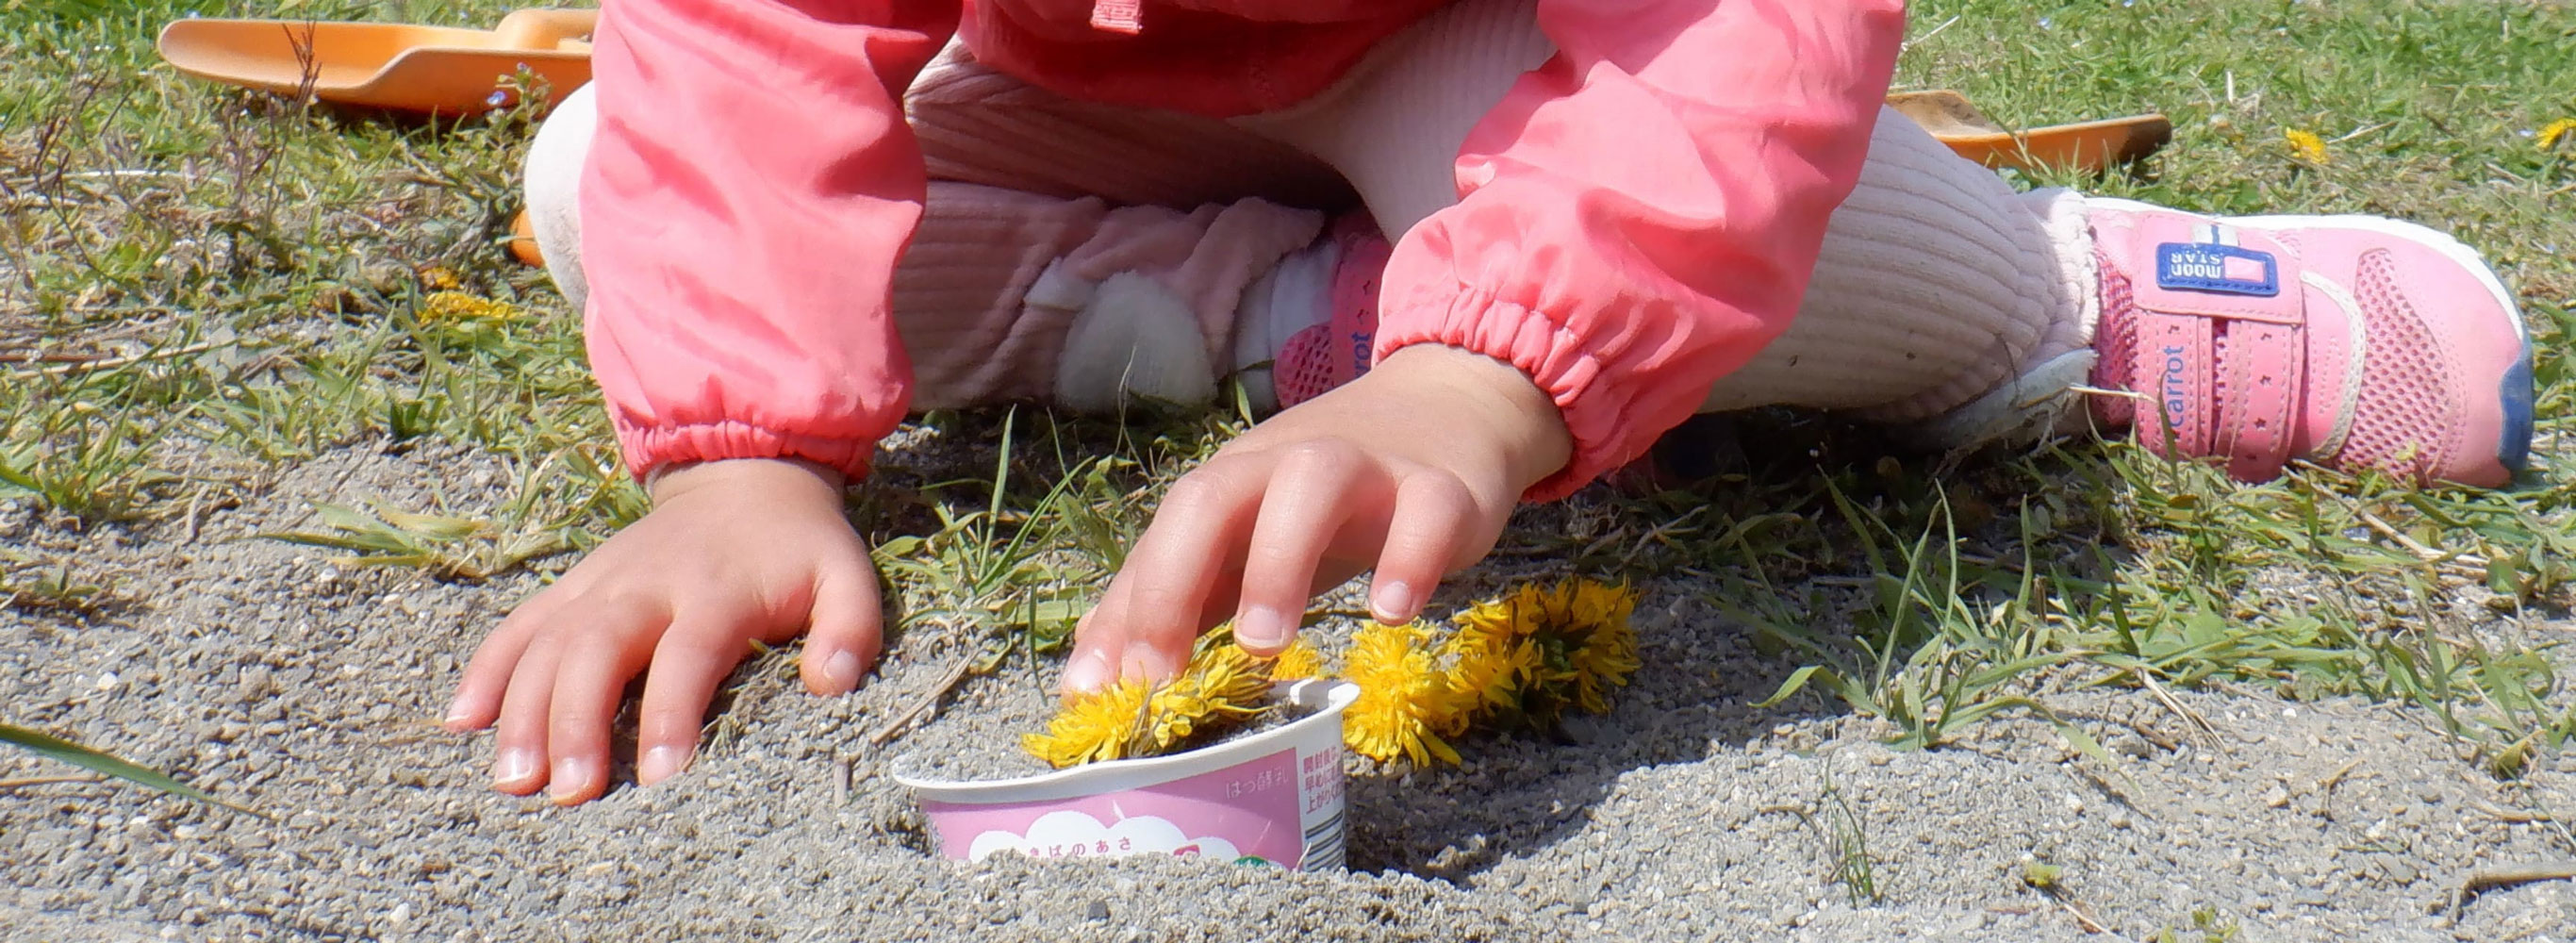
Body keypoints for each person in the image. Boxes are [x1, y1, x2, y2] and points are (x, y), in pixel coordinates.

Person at [444, 0, 2535, 805]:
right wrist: (738, 445)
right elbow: (739, 42)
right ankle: (1296, 317)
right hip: (1096, 94)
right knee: (589, 177)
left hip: (1522, 84)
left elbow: (1730, 45)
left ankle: (2052, 297)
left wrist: (1494, 363)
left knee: (1733, 244)